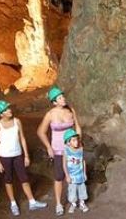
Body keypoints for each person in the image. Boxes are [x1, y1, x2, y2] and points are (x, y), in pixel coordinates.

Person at [0, 100, 47, 216]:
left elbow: (22, 138)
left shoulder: (17, 121)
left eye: (8, 108)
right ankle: (13, 203)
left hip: (18, 155)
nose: (9, 110)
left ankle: (32, 201)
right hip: (5, 156)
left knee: (24, 178)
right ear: (1, 113)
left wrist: (26, 155)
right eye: (6, 110)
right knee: (8, 179)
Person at [37, 86, 82, 216]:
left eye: (63, 96)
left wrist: (78, 142)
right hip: (58, 150)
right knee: (59, 177)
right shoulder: (50, 114)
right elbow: (41, 132)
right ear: (54, 102)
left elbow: (77, 127)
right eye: (60, 98)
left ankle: (74, 200)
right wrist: (48, 147)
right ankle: (58, 204)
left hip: (71, 149)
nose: (63, 99)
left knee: (74, 174)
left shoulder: (70, 111)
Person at [62, 129, 89, 213]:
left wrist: (84, 173)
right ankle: (73, 204)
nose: (76, 142)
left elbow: (83, 161)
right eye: (73, 140)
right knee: (72, 190)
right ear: (68, 142)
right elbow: (64, 164)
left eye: (76, 139)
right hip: (72, 175)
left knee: (82, 189)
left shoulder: (80, 150)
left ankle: (82, 203)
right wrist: (67, 175)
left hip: (80, 174)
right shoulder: (66, 151)